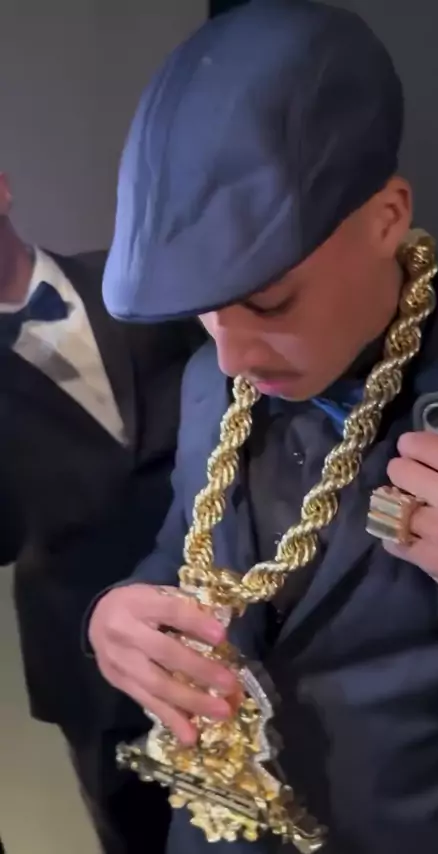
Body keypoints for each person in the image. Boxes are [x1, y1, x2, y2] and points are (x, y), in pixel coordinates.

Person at [88, 1, 438, 852]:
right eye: (205, 312)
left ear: (386, 218)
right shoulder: (209, 379)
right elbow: (184, 550)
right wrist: (119, 615)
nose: (231, 355)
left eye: (269, 301)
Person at [0, 170, 205, 854]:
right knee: (139, 839)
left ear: (1, 189)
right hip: (89, 662)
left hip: (230, 606)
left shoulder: (142, 278)